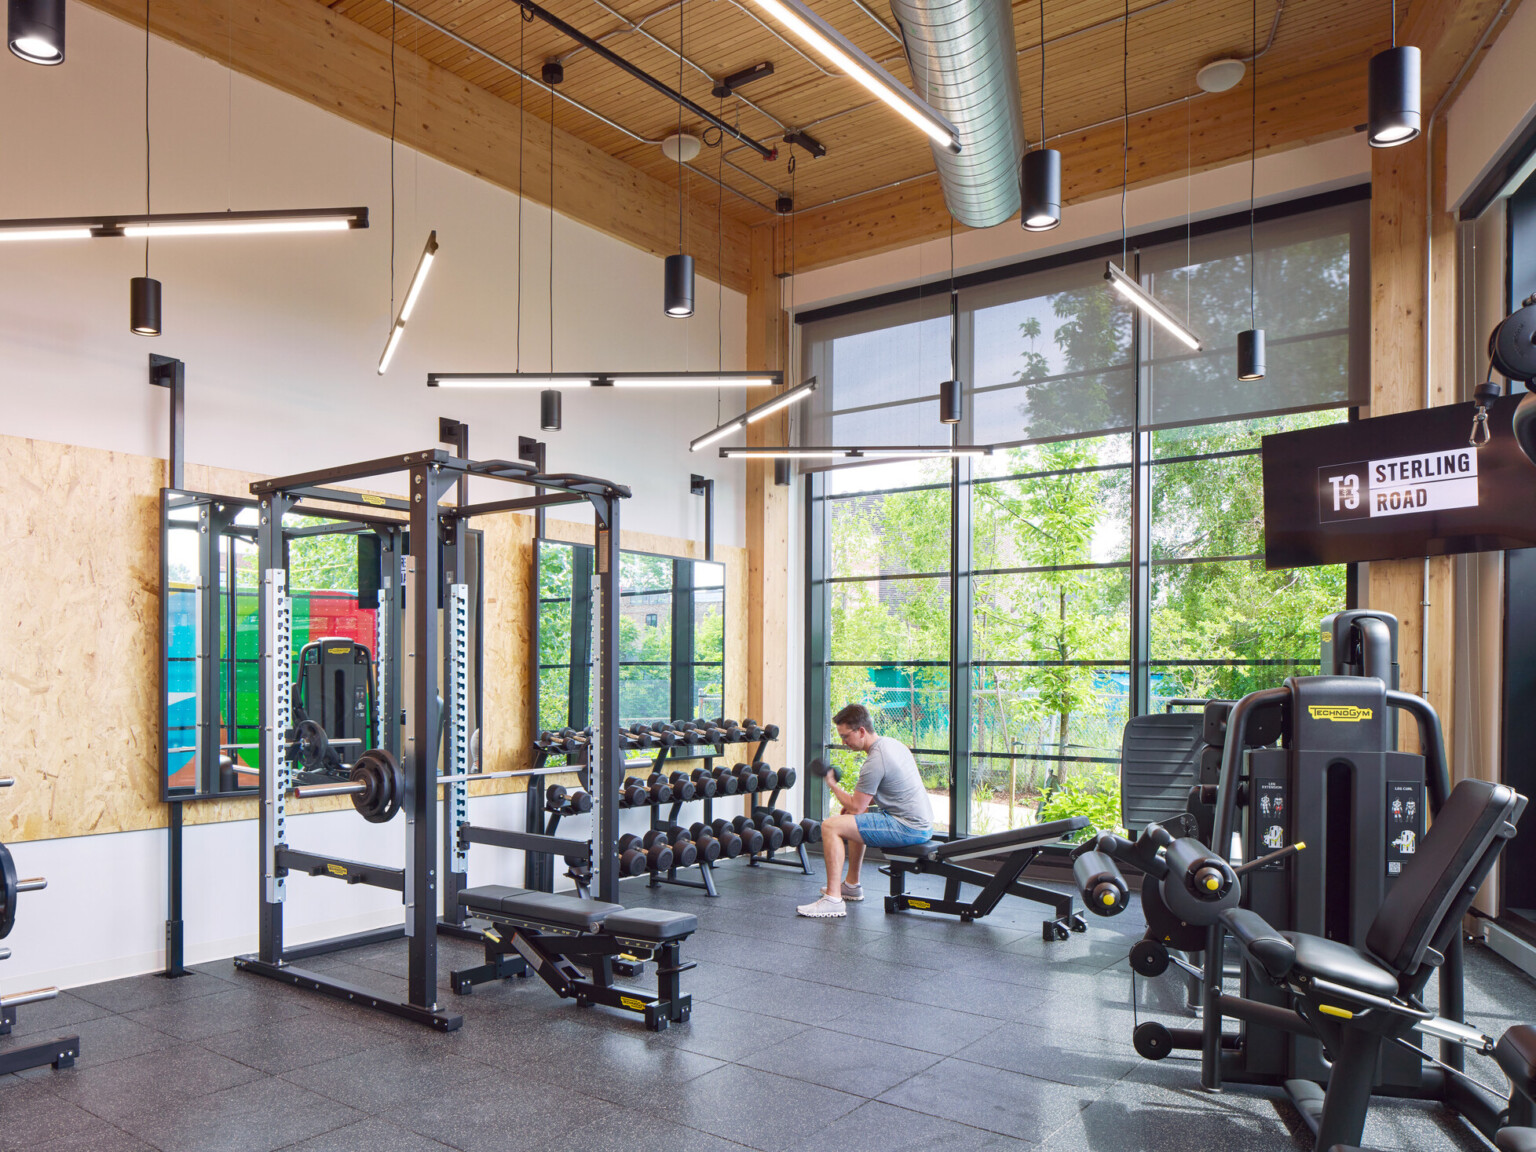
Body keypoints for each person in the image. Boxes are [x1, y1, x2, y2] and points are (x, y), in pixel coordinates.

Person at [797, 703, 934, 918]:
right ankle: (851, 885)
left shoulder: (875, 760)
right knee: (852, 816)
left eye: (845, 736)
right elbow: (884, 795)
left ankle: (833, 900)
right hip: (919, 823)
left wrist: (831, 783)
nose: (843, 742)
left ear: (861, 731)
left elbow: (857, 805)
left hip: (907, 827)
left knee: (830, 826)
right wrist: (854, 807)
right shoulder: (892, 744)